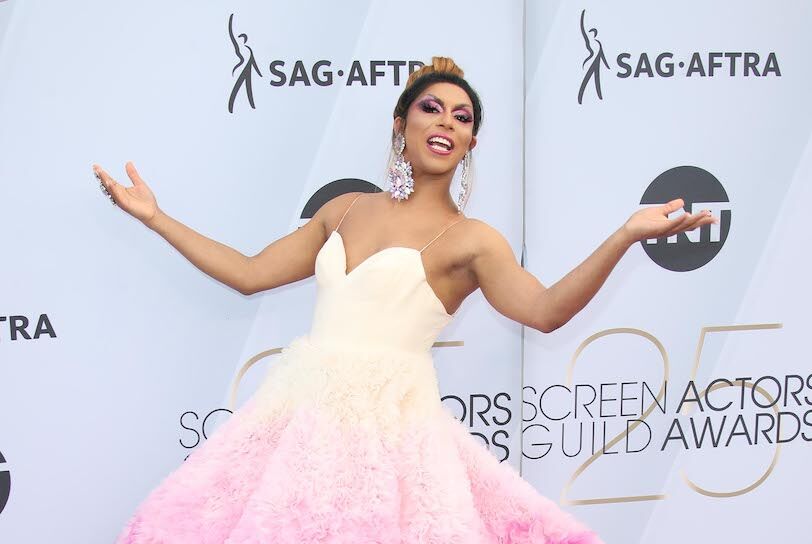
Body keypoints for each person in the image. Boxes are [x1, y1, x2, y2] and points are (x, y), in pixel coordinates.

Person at [94, 57, 716, 543]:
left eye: (463, 118)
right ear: (402, 124)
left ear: (471, 144)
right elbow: (250, 272)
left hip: (391, 450)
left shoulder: (474, 241)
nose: (447, 122)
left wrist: (626, 235)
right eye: (431, 108)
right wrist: (157, 218)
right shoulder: (343, 211)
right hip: (299, 428)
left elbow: (546, 310)